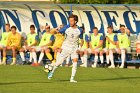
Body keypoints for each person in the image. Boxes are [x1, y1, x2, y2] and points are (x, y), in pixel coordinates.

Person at [48, 14, 84, 83]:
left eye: (71, 21)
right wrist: (54, 30)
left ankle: (72, 79)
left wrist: (79, 48)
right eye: (69, 21)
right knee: (59, 63)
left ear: (75, 21)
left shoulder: (80, 30)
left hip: (74, 48)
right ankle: (52, 71)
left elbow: (82, 40)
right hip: (65, 47)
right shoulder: (66, 28)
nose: (70, 22)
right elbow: (56, 32)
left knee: (75, 62)